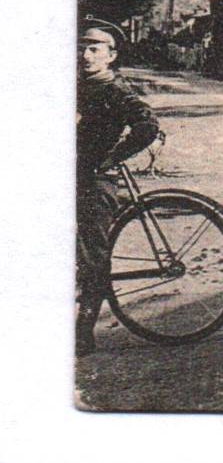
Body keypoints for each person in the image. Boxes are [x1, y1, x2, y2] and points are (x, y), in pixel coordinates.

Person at [76, 18, 164, 357]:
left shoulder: (116, 89)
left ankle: (83, 333)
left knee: (92, 257)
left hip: (97, 181)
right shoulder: (76, 85)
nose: (85, 54)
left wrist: (114, 158)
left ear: (110, 56)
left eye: (94, 49)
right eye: (81, 47)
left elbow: (147, 126)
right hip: (73, 176)